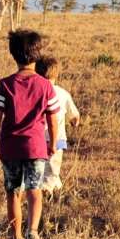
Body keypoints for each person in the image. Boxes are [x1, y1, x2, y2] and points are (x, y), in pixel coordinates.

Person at [0, 30, 60, 239]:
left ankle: (14, 237)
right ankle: (33, 232)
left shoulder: (6, 83)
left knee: (13, 192)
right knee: (34, 189)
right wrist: (52, 143)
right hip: (36, 148)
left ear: (13, 54)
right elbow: (53, 119)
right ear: (37, 54)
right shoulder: (46, 86)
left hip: (10, 148)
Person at [36, 55, 80, 192]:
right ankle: (52, 192)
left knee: (39, 169)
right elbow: (75, 116)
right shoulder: (63, 93)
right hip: (58, 139)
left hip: (37, 139)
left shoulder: (35, 92)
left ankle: (48, 191)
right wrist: (74, 122)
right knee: (52, 168)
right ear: (56, 74)